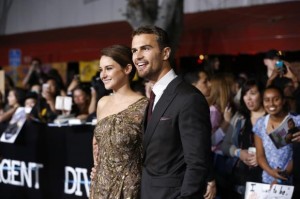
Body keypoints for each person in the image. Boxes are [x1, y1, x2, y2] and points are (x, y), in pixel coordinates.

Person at [131, 25, 212, 199]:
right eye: (134, 50)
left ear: (166, 53)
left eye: (145, 48)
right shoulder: (153, 97)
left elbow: (197, 163)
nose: (137, 56)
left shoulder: (189, 98)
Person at [89, 45, 148, 199]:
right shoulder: (102, 102)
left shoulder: (144, 106)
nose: (103, 75)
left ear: (127, 69)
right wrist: (96, 167)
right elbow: (97, 143)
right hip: (100, 186)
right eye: (101, 70)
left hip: (130, 189)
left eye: (108, 68)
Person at [221, 79, 265, 198]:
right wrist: (238, 152)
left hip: (266, 179)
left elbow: (284, 149)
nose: (248, 98)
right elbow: (225, 146)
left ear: (262, 94)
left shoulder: (272, 117)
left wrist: (262, 157)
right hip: (241, 180)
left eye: (253, 93)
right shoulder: (240, 118)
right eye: (245, 94)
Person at [253, 85, 300, 185]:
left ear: (283, 101)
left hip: (292, 181)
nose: (271, 104)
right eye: (267, 100)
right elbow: (260, 155)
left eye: (276, 99)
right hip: (267, 181)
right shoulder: (260, 124)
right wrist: (271, 172)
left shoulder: (296, 121)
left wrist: (280, 178)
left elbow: (296, 155)